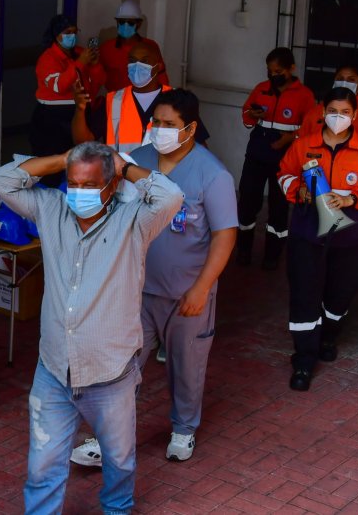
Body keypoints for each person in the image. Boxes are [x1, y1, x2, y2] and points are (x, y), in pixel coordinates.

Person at [0, 142, 183, 515]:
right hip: (54, 370)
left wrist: (124, 168)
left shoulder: (134, 222)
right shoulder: (50, 210)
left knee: (119, 461)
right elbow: (1, 180)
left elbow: (170, 196)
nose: (78, 193)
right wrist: (64, 159)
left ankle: (117, 510)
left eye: (90, 184)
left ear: (109, 187)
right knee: (42, 468)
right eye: (73, 183)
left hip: (111, 374)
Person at [67, 90, 236, 466]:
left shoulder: (213, 174)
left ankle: (183, 429)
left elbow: (225, 234)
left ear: (190, 129)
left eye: (169, 124)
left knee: (186, 366)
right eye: (155, 122)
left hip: (186, 293)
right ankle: (103, 436)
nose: (159, 130)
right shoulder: (136, 163)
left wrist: (203, 287)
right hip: (136, 289)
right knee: (120, 366)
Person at [277, 87, 358, 391]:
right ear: (322, 111)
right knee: (304, 292)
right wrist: (296, 189)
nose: (337, 117)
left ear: (354, 115)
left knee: (341, 291)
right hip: (307, 232)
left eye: (344, 112)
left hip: (349, 234)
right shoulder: (304, 145)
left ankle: (329, 334)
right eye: (332, 111)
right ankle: (303, 358)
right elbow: (284, 173)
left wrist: (354, 199)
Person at [236, 47, 317, 269]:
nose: (273, 75)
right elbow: (245, 118)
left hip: (285, 156)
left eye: (278, 70)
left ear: (291, 68)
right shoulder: (261, 89)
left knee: (279, 206)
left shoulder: (304, 95)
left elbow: (311, 129)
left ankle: (272, 256)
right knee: (247, 202)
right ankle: (243, 250)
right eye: (270, 71)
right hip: (257, 152)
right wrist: (252, 116)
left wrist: (290, 138)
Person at [71, 42, 209, 154]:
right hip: (121, 184)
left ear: (158, 66)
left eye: (144, 61)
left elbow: (200, 147)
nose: (137, 66)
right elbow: (83, 141)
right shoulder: (112, 101)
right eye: (132, 61)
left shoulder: (178, 100)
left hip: (164, 184)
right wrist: (80, 109)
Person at [31, 15, 104, 185]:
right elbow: (59, 86)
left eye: (74, 32)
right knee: (53, 168)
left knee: (79, 163)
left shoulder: (79, 52)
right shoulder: (47, 59)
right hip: (52, 119)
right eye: (67, 32)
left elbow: (99, 82)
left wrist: (94, 64)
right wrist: (80, 63)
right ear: (56, 35)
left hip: (79, 114)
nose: (72, 36)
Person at [296, 65, 358, 165]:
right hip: (317, 175)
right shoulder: (315, 112)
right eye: (340, 79)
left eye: (351, 79)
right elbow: (299, 149)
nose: (344, 83)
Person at [98, 0, 170, 93]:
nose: (125, 25)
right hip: (116, 101)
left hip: (145, 99)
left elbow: (161, 76)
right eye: (122, 22)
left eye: (130, 22)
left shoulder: (150, 46)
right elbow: (97, 79)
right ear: (117, 22)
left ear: (139, 24)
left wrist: (166, 99)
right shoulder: (106, 48)